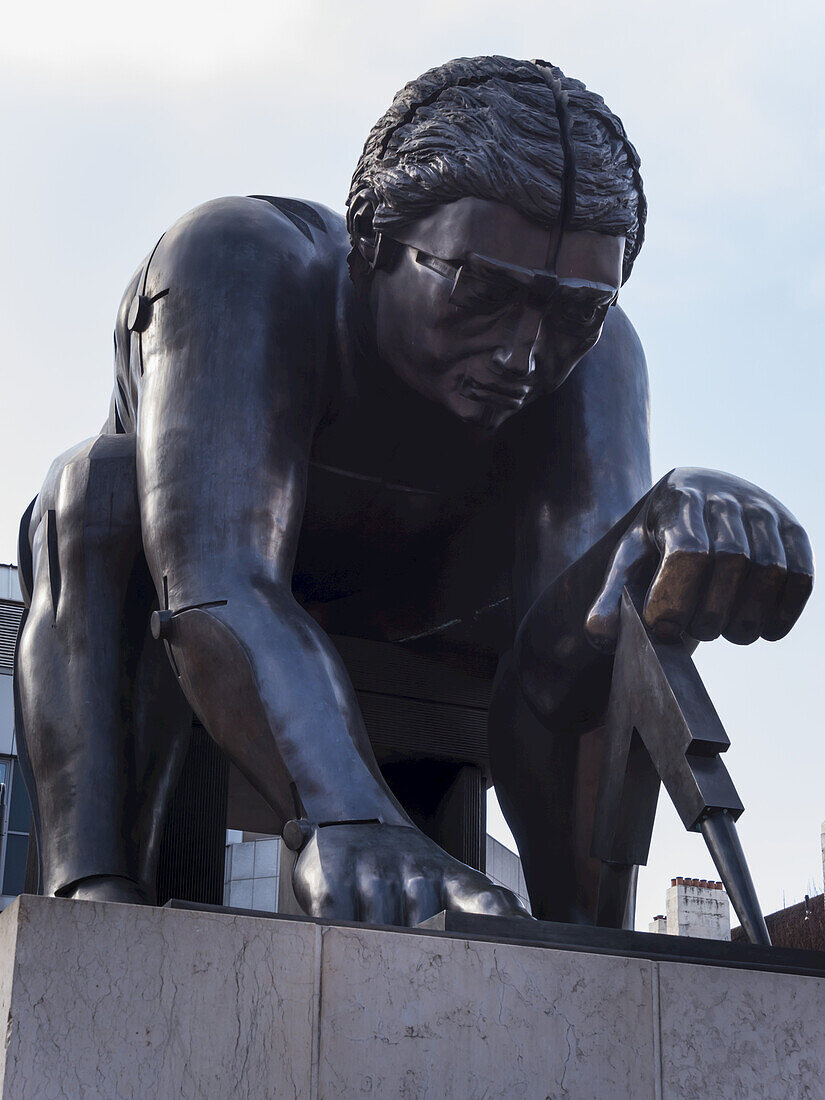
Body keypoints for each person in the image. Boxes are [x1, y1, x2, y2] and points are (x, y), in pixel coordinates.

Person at [14, 56, 813, 927]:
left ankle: (584, 928)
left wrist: (644, 545)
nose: (523, 354)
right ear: (373, 242)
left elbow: (565, 661)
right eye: (481, 291)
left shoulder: (596, 351)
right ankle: (88, 889)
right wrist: (347, 813)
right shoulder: (240, 262)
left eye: (572, 312)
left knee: (609, 606)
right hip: (193, 602)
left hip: (439, 612)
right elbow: (217, 583)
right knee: (93, 493)